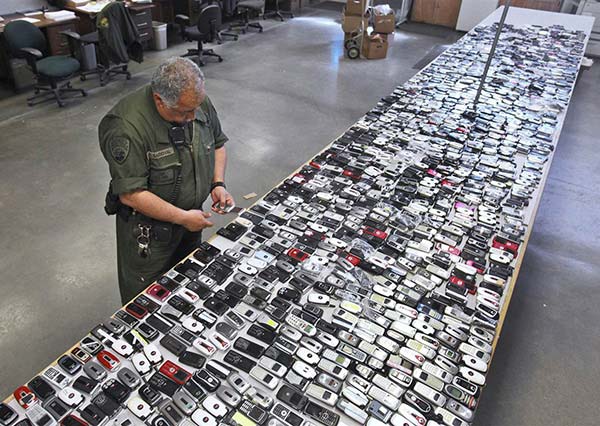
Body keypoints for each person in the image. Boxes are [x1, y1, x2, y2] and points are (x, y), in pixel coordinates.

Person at [99, 57, 234, 304]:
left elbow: (217, 144)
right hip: (150, 236)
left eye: (197, 107)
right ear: (160, 101)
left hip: (191, 221)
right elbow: (130, 193)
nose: (193, 117)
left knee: (189, 288)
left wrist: (218, 184)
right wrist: (182, 218)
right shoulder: (126, 127)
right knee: (146, 302)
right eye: (184, 112)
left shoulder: (195, 102)